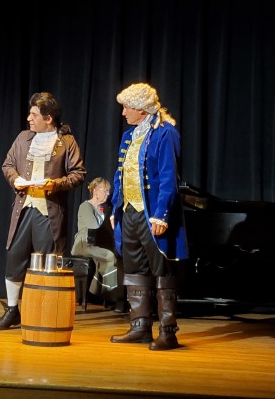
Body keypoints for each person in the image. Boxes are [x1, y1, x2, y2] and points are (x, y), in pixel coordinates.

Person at [0, 92, 86, 330]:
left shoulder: (67, 142)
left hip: (48, 211)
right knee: (14, 258)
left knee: (47, 262)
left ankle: (45, 311)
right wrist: (15, 179)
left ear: (48, 118)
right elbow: (8, 164)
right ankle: (12, 310)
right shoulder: (23, 138)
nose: (29, 118)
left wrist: (55, 184)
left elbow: (78, 174)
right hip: (24, 208)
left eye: (34, 115)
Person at [109, 83, 188, 351]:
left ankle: (168, 331)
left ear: (141, 109)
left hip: (152, 213)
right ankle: (140, 326)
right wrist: (116, 208)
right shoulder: (129, 136)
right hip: (129, 212)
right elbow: (120, 175)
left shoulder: (166, 133)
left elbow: (168, 177)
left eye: (127, 108)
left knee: (162, 270)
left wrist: (161, 215)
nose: (123, 113)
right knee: (134, 270)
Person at [71, 177, 126, 310]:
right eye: (105, 191)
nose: (108, 194)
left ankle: (110, 295)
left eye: (109, 191)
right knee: (109, 256)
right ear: (95, 191)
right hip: (84, 244)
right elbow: (94, 226)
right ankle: (105, 293)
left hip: (95, 244)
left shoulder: (102, 208)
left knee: (114, 257)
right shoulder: (85, 206)